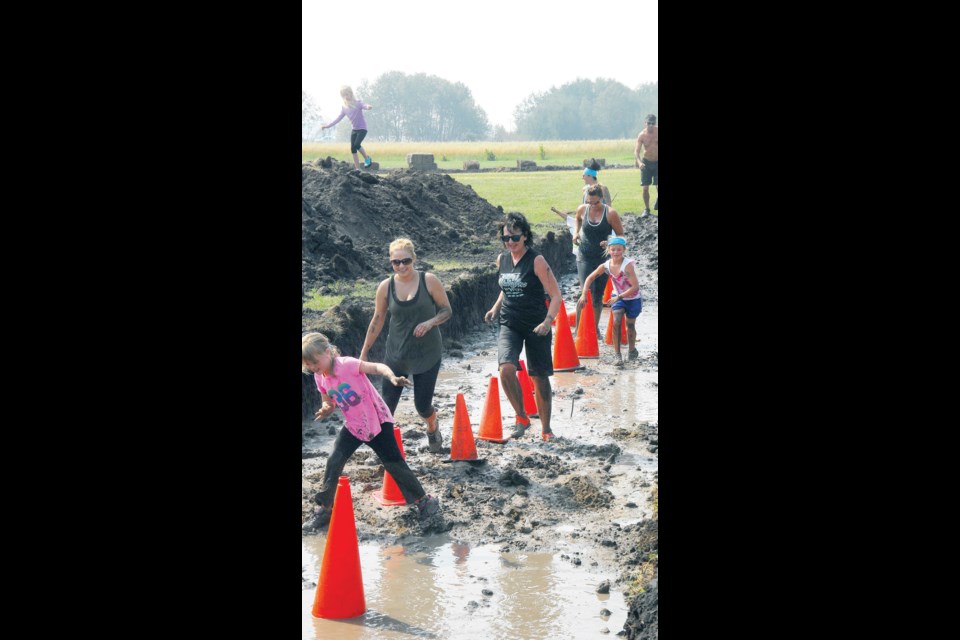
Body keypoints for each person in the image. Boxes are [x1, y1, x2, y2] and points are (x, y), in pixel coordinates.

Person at [301, 332, 441, 532]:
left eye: (315, 362)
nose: (314, 367)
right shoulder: (319, 377)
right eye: (309, 365)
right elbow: (328, 400)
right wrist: (326, 409)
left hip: (377, 422)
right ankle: (324, 509)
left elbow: (376, 367)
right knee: (334, 459)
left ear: (328, 352)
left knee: (394, 464)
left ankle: (424, 502)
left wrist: (391, 376)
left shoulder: (347, 365)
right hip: (354, 425)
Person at [360, 238, 452, 454]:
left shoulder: (429, 281)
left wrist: (430, 323)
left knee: (422, 406)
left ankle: (432, 426)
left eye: (406, 261)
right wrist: (363, 353)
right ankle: (386, 452)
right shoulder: (385, 286)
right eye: (395, 262)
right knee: (386, 408)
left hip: (426, 355)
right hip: (396, 355)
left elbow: (446, 310)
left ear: (414, 259)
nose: (401, 266)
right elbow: (377, 319)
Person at [484, 212, 563, 441]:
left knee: (539, 376)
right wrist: (495, 308)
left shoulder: (537, 261)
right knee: (506, 369)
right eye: (506, 238)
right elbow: (507, 285)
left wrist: (548, 321)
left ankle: (546, 429)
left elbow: (556, 296)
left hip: (537, 323)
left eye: (514, 238)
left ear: (525, 236)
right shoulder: (503, 259)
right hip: (510, 321)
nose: (510, 243)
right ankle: (522, 418)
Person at [577, 234, 642, 367]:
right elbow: (590, 277)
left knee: (630, 325)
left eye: (619, 250)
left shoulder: (627, 265)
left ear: (623, 250)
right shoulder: (606, 265)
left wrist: (618, 297)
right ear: (609, 251)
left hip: (633, 298)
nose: (616, 252)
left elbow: (635, 287)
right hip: (617, 297)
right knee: (616, 321)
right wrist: (584, 294)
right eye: (613, 250)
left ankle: (632, 350)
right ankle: (617, 355)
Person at [574, 184, 624, 336]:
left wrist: (610, 242)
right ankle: (578, 330)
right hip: (584, 255)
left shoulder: (610, 213)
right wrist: (575, 233)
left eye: (596, 202)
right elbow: (577, 219)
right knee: (584, 291)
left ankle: (594, 329)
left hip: (603, 259)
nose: (593, 206)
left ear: (602, 199)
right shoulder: (582, 209)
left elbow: (621, 236)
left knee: (597, 295)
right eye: (590, 202)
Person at [320, 85, 374, 170]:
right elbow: (337, 119)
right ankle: (357, 169)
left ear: (351, 94)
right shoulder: (344, 108)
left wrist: (368, 107)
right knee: (353, 148)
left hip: (362, 128)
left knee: (356, 145)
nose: (346, 96)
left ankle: (367, 158)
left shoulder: (358, 103)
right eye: (344, 95)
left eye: (347, 94)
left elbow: (364, 105)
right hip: (354, 130)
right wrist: (327, 126)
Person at [635, 114, 659, 216]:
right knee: (645, 188)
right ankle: (647, 209)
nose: (650, 125)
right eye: (649, 123)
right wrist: (640, 163)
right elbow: (636, 152)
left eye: (653, 123)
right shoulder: (641, 135)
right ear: (645, 123)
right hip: (646, 163)